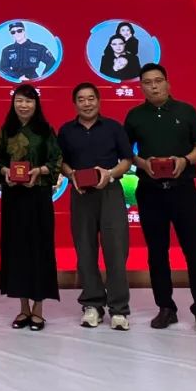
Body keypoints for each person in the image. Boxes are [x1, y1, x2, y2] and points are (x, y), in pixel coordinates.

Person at [124, 63, 196, 336]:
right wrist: (142, 163)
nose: (154, 86)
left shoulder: (186, 111)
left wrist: (185, 160)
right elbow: (125, 152)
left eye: (158, 81)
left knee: (195, 251)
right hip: (150, 191)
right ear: (141, 87)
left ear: (167, 82)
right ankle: (166, 307)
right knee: (157, 253)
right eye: (147, 82)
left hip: (183, 189)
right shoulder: (135, 116)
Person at [58, 83, 133, 331]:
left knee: (116, 250)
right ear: (75, 103)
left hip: (109, 192)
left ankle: (119, 309)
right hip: (81, 195)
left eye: (91, 98)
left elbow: (127, 160)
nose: (87, 103)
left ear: (98, 101)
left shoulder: (113, 127)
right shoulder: (66, 131)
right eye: (81, 99)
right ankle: (92, 304)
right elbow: (61, 162)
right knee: (85, 249)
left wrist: (109, 174)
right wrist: (72, 175)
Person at [0, 83, 62, 331]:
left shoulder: (45, 130)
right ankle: (23, 308)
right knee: (17, 250)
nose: (23, 105)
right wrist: (4, 172)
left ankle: (38, 309)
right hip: (14, 198)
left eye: (29, 101)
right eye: (19, 100)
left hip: (38, 197)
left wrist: (39, 171)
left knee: (40, 249)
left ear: (36, 104)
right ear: (13, 103)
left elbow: (56, 160)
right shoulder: (6, 130)